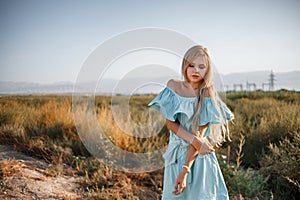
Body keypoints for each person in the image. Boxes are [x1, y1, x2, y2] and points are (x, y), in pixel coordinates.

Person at [148, 45, 234, 199]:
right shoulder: (173, 86)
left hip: (197, 157)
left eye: (201, 67)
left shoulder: (207, 92)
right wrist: (196, 142)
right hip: (176, 155)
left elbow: (199, 134)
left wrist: (185, 169)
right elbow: (171, 124)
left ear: (207, 70)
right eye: (192, 65)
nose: (196, 70)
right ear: (185, 66)